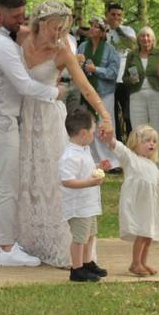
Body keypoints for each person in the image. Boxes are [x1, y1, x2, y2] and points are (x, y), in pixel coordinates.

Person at [15, 1, 114, 268]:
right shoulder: (22, 36)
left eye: (63, 28)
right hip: (24, 115)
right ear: (41, 23)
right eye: (55, 28)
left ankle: (67, 246)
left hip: (48, 118)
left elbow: (84, 86)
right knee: (28, 178)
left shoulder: (62, 52)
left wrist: (105, 116)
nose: (59, 34)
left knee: (52, 177)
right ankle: (26, 239)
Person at [0, 0, 64, 267]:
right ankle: (6, 247)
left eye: (24, 16)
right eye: (16, 17)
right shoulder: (4, 47)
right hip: (0, 120)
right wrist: (56, 93)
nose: (21, 22)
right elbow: (24, 85)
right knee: (9, 185)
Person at [100, 125, 159, 277]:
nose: (151, 144)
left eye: (154, 141)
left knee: (148, 235)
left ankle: (143, 262)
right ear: (136, 143)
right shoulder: (131, 159)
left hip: (150, 206)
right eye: (147, 141)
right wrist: (110, 139)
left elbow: (158, 185)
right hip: (138, 204)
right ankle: (135, 263)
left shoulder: (152, 165)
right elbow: (118, 148)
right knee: (142, 232)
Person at [59, 108, 110, 282]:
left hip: (88, 204)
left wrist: (99, 167)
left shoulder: (83, 149)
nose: (94, 135)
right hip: (78, 206)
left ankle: (88, 263)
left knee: (90, 235)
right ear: (83, 133)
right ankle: (77, 268)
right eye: (92, 132)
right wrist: (90, 182)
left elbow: (86, 169)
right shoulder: (69, 156)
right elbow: (67, 181)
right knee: (80, 238)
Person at [124, 26, 159, 168]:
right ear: (138, 39)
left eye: (148, 36)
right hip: (136, 95)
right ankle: (139, 165)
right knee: (138, 132)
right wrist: (130, 80)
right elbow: (125, 77)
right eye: (143, 36)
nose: (145, 39)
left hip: (157, 95)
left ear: (153, 39)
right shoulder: (132, 55)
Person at [79, 17, 121, 170]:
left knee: (105, 125)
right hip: (87, 92)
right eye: (90, 26)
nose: (91, 29)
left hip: (105, 93)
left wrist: (95, 69)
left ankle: (111, 161)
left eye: (96, 27)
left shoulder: (110, 50)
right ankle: (93, 160)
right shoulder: (82, 46)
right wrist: (81, 66)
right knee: (89, 124)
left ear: (103, 32)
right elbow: (77, 68)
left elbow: (113, 73)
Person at [106, 3, 136, 140]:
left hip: (125, 78)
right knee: (112, 116)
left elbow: (132, 45)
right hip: (108, 79)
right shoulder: (103, 31)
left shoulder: (128, 30)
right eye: (113, 14)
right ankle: (118, 145)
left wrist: (117, 29)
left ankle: (132, 145)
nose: (116, 17)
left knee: (128, 115)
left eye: (119, 15)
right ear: (107, 15)